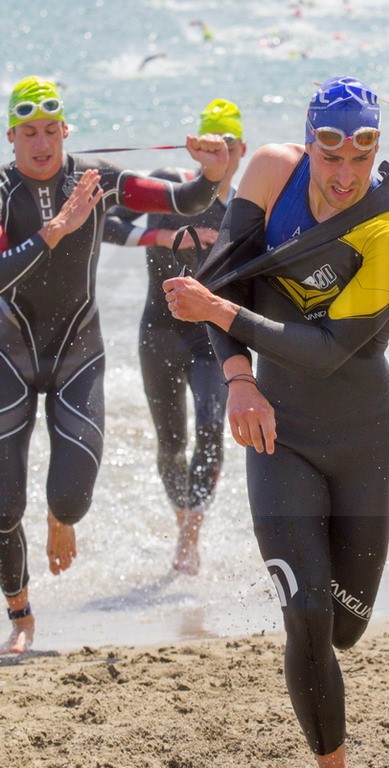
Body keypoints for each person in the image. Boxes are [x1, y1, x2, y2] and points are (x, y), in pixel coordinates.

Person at [161, 76, 389, 767]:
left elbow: (327, 349)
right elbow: (224, 276)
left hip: (361, 435)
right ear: (308, 144)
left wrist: (219, 311)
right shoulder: (271, 173)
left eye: (360, 159)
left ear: (376, 151)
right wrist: (239, 379)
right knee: (305, 615)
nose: (343, 176)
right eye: (329, 156)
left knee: (344, 626)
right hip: (275, 430)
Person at [0, 75, 228, 654]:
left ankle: (59, 519)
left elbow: (182, 202)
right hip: (9, 356)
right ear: (12, 138)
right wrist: (55, 231)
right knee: (2, 505)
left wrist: (210, 174)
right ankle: (21, 613)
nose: (41, 142)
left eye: (50, 130)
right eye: (29, 132)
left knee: (71, 497)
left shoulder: (96, 179)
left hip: (77, 353)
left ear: (65, 131)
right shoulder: (1, 190)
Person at [103, 99, 247, 575]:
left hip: (210, 341)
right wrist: (164, 238)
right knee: (171, 443)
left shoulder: (244, 211)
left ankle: (190, 534)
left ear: (242, 149)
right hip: (159, 334)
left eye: (229, 145)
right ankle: (183, 518)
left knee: (210, 429)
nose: (220, 153)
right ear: (197, 148)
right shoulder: (169, 189)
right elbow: (104, 222)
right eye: (212, 145)